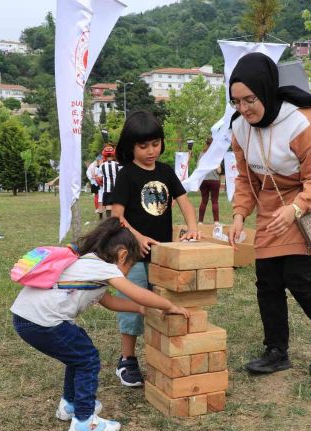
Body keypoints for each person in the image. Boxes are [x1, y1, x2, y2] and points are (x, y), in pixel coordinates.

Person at [226, 52, 311, 376]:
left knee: (300, 275)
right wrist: (240, 214)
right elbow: (245, 178)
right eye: (236, 101)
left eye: (250, 99)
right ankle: (276, 350)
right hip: (272, 202)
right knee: (267, 278)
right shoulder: (240, 128)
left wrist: (296, 208)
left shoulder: (301, 121)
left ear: (266, 90)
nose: (244, 108)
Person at [10, 218, 190, 431]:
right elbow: (138, 293)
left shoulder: (87, 262)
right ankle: (84, 421)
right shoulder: (106, 268)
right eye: (130, 266)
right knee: (87, 359)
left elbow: (109, 301)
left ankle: (70, 405)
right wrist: (168, 305)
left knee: (77, 352)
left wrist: (140, 309)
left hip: (26, 317)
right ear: (122, 255)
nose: (128, 271)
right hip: (43, 322)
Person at [110, 110, 200, 387]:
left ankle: (162, 351)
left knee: (164, 303)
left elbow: (184, 201)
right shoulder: (126, 175)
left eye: (155, 144)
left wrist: (193, 226)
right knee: (134, 306)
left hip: (163, 256)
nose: (151, 151)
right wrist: (137, 237)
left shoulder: (165, 171)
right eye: (143, 145)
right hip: (132, 257)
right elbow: (117, 217)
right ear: (130, 147)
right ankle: (127, 359)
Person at [197, 136, 222, 224]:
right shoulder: (216, 155)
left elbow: (198, 168)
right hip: (214, 180)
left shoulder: (201, 154)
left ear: (206, 144)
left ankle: (200, 222)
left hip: (203, 180)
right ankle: (216, 222)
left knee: (204, 201)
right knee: (214, 201)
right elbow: (219, 171)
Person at [98, 145, 119, 219]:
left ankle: (109, 220)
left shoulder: (102, 166)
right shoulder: (117, 165)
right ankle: (117, 220)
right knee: (116, 205)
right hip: (117, 189)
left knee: (108, 205)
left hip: (107, 189)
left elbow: (100, 178)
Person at [85, 155, 102, 220]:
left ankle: (100, 209)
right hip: (94, 182)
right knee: (97, 195)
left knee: (100, 196)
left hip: (100, 182)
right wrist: (91, 177)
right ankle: (97, 208)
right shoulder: (92, 165)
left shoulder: (101, 164)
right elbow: (88, 172)